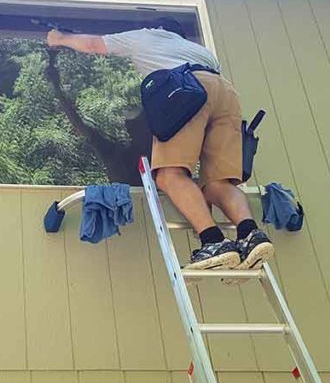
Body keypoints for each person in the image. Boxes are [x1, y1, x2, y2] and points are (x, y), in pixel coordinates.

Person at [46, 18, 274, 271]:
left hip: (188, 89)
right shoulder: (200, 51)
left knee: (169, 176)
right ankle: (251, 235)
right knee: (218, 183)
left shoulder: (145, 36)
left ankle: (214, 241)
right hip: (226, 94)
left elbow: (92, 44)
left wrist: (59, 39)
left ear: (157, 28)